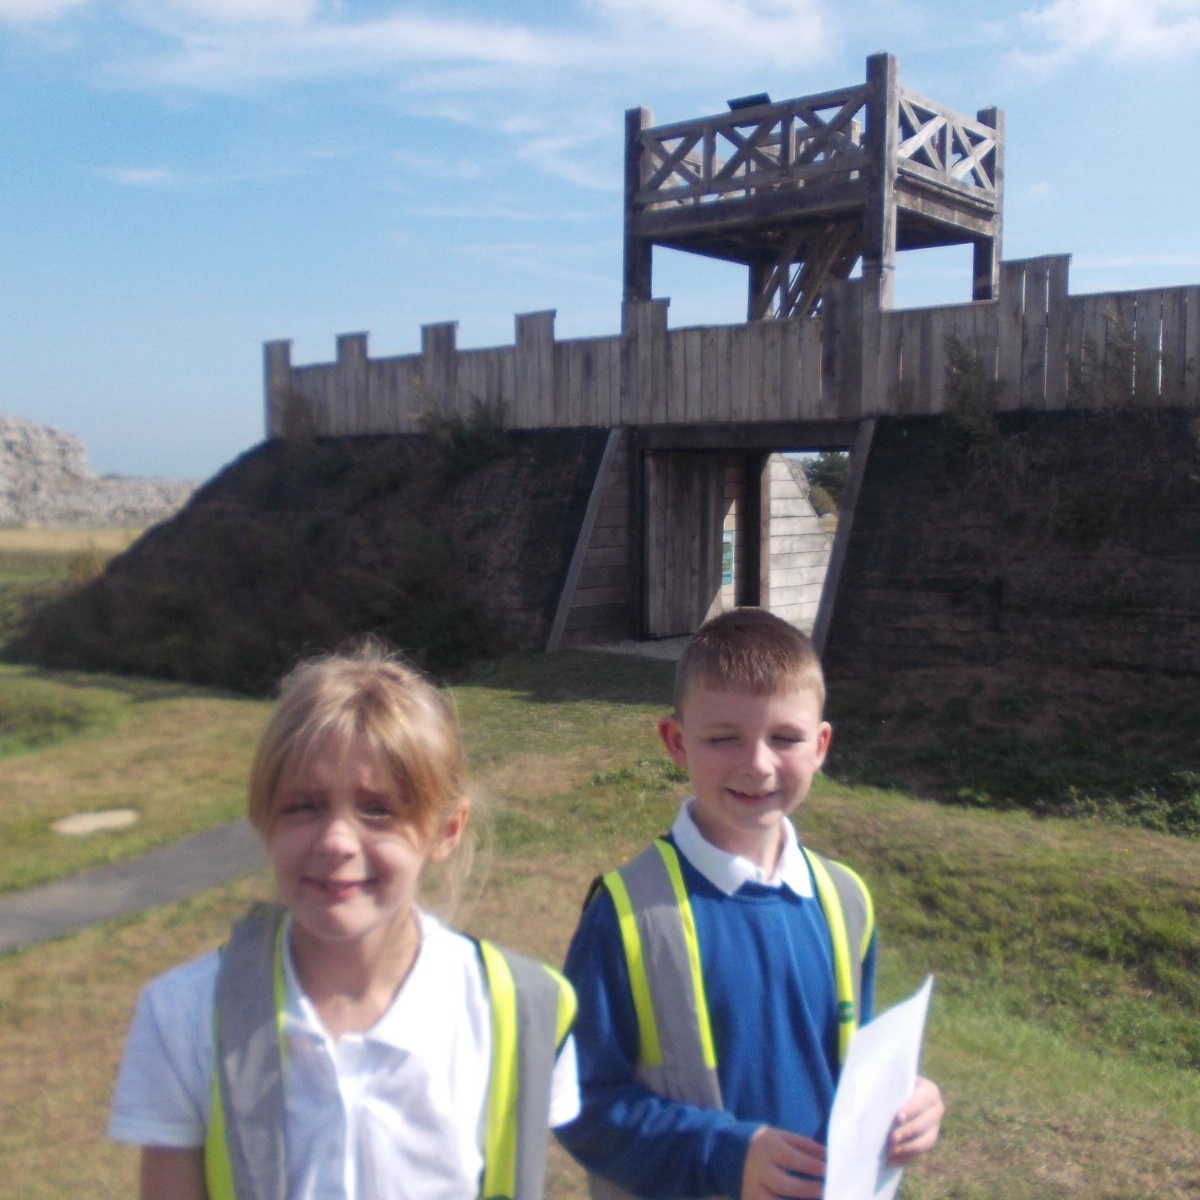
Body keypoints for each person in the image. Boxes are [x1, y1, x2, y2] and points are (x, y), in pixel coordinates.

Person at [108, 640, 578, 1200]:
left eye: (378, 809)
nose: (335, 841)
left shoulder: (524, 1010)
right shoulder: (183, 1015)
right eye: (303, 805)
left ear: (446, 830)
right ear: (264, 820)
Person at [555, 607, 943, 1200]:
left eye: (784, 738)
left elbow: (853, 1069)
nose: (757, 764)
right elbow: (579, 1102)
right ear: (676, 741)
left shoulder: (845, 900)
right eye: (723, 738)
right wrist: (724, 1153)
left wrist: (906, 1103)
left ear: (820, 745)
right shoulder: (627, 914)